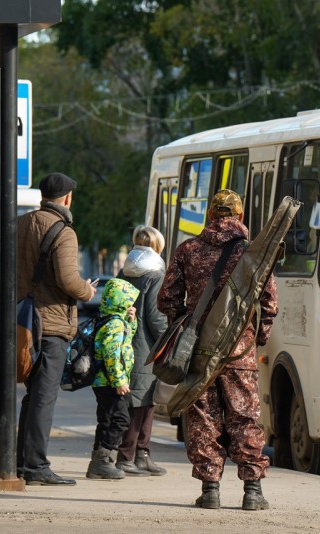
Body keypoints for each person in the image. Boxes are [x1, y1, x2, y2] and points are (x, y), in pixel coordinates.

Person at [158, 189, 278, 511]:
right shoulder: (252, 253)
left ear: (210, 215)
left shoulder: (188, 250)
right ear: (239, 217)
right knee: (244, 417)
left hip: (198, 349)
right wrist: (258, 336)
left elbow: (166, 298)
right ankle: (253, 492)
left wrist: (183, 326)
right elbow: (269, 302)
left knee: (203, 419)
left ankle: (210, 490)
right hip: (239, 352)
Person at [16, 172, 97, 486]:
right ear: (67, 198)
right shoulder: (63, 231)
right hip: (50, 324)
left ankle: (21, 461)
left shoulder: (18, 224)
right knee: (43, 396)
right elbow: (67, 280)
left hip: (21, 320)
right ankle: (35, 466)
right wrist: (87, 292)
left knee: (30, 395)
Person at [116, 226, 169, 476]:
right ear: (157, 246)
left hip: (125, 342)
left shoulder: (125, 270)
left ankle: (141, 454)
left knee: (139, 400)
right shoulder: (156, 274)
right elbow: (155, 316)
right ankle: (129, 456)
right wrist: (168, 341)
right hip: (145, 346)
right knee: (141, 402)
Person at [85, 278, 139, 480]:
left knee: (106, 420)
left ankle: (98, 461)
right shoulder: (114, 324)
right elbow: (111, 355)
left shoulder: (110, 318)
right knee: (121, 419)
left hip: (103, 381)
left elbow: (125, 341)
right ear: (121, 301)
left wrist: (131, 322)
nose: (131, 305)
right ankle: (104, 460)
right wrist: (119, 381)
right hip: (110, 382)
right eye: (129, 301)